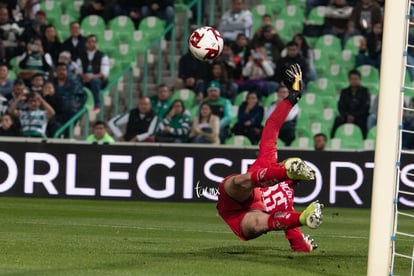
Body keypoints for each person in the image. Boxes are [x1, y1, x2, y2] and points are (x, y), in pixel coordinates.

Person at [217, 64, 324, 252]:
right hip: (236, 195)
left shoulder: (286, 202)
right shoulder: (270, 160)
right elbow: (273, 125)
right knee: (240, 182)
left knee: (258, 223)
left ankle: (302, 216)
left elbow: (295, 241)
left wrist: (303, 234)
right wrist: (291, 99)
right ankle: (284, 176)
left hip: (243, 218)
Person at [330, 69, 371, 139]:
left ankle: (364, 140)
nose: (354, 81)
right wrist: (347, 116)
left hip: (360, 116)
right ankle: (333, 139)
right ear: (349, 80)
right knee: (338, 119)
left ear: (360, 79)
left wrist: (354, 115)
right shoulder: (344, 92)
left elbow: (366, 107)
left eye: (356, 79)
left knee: (363, 122)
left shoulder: (365, 91)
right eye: (352, 79)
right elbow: (341, 106)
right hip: (346, 116)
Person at [76, 34, 110, 112]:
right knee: (76, 81)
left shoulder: (103, 56)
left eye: (94, 42)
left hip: (98, 80)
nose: (92, 44)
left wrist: (91, 77)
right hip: (85, 78)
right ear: (86, 44)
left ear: (96, 43)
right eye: (89, 42)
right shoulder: (81, 56)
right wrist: (84, 77)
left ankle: (97, 104)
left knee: (95, 81)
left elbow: (104, 73)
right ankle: (78, 105)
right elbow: (79, 71)